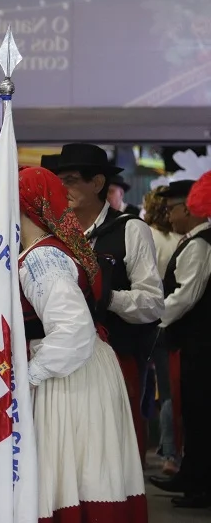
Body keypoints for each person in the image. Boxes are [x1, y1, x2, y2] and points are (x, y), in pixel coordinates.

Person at [18, 166, 146, 522]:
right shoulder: (54, 250)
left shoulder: (42, 259)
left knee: (72, 472)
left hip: (68, 375)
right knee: (86, 470)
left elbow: (74, 329)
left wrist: (28, 376)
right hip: (81, 369)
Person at [45, 143, 164, 462]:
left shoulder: (130, 229)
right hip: (60, 364)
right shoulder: (52, 233)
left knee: (115, 449)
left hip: (117, 356)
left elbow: (153, 303)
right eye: (58, 181)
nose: (62, 189)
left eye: (69, 180)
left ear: (97, 183)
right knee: (67, 451)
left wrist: (106, 296)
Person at [148, 179, 211, 509]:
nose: (168, 216)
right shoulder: (193, 241)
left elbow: (184, 297)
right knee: (192, 411)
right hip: (192, 342)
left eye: (171, 208)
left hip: (199, 344)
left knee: (199, 413)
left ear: (188, 208)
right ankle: (192, 475)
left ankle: (199, 484)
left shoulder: (200, 245)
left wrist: (151, 319)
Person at [142, 186, 182, 476]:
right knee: (169, 390)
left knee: (141, 389)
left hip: (145, 321)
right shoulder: (183, 241)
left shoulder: (146, 237)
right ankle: (171, 452)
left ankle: (143, 449)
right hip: (174, 321)